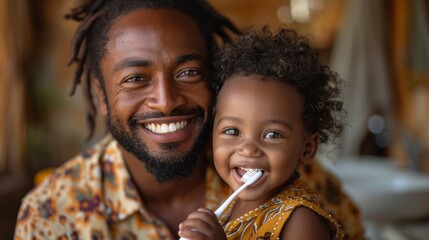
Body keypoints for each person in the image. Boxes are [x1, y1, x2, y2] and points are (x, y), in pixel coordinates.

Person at [14, 0, 365, 239]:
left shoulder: (286, 178)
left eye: (188, 72)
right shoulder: (51, 214)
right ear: (101, 95)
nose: (166, 102)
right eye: (136, 78)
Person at [178, 26, 344, 240]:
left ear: (307, 148)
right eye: (232, 131)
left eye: (272, 135)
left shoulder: (301, 222)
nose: (248, 148)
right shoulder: (230, 207)